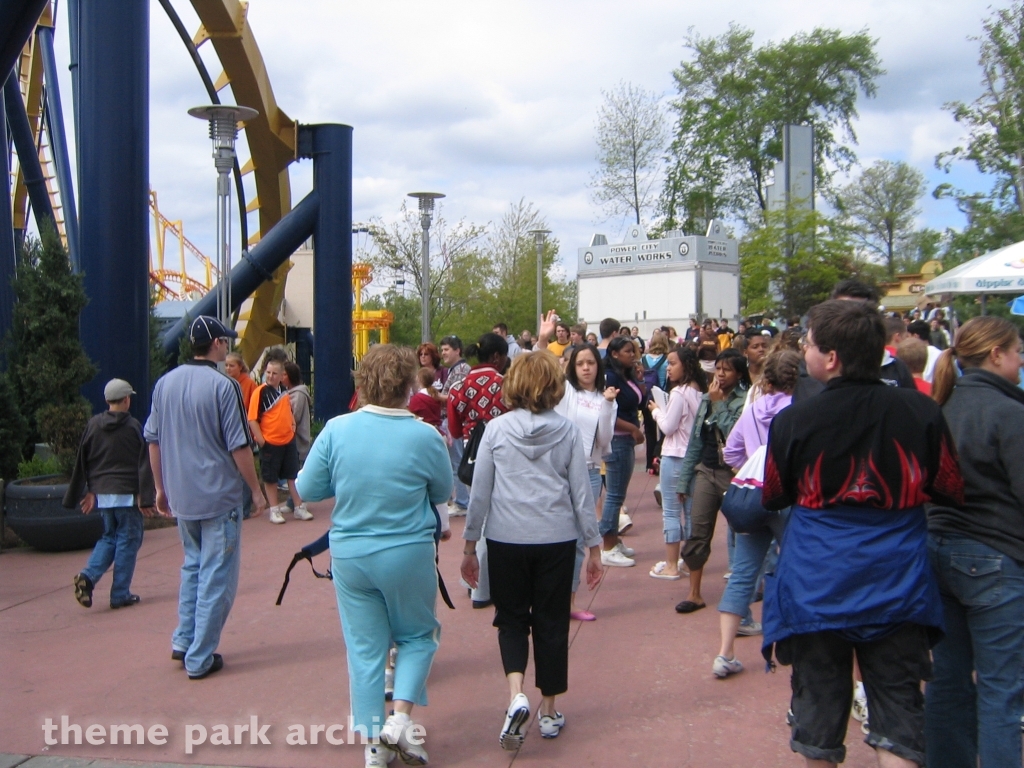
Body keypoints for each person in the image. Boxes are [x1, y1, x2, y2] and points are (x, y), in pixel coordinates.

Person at [761, 300, 964, 768]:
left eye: (808, 344)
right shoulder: (921, 411)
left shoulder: (794, 419)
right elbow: (950, 486)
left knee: (818, 727)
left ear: (830, 357)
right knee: (898, 723)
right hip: (898, 580)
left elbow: (773, 494)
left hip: (818, 583)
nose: (805, 352)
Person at [297, 344, 453, 768]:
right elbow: (442, 492)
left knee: (365, 649)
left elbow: (308, 489)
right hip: (407, 550)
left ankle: (373, 747)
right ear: (409, 385)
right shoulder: (425, 434)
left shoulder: (337, 429)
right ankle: (399, 722)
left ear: (362, 383)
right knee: (418, 636)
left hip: (351, 552)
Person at [460, 351, 603, 750]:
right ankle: (551, 710)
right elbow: (580, 494)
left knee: (510, 620)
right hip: (556, 538)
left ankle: (515, 693)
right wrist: (593, 547)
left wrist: (470, 546)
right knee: (552, 622)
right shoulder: (569, 431)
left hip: (506, 537)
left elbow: (480, 494)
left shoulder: (496, 430)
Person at [145, 315, 267, 679]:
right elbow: (238, 445)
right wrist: (256, 491)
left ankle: (183, 640)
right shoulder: (223, 385)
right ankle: (200, 656)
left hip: (182, 494)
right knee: (218, 576)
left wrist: (160, 486)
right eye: (224, 341)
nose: (227, 346)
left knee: (192, 567)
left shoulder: (164, 384)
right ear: (215, 344)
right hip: (218, 495)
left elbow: (153, 439)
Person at [926, 317, 1024, 767]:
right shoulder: (1009, 413)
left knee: (947, 682)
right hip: (995, 556)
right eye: (1018, 351)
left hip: (937, 548)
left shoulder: (940, 406)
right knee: (1001, 689)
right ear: (996, 354)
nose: (1021, 360)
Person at [711, 349, 800, 677]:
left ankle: (724, 652)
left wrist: (749, 464)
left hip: (752, 495)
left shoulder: (753, 410)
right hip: (788, 497)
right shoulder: (798, 409)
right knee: (795, 565)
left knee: (743, 571)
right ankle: (796, 639)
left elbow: (731, 450)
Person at [66, 378, 157, 609]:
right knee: (128, 540)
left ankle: (88, 575)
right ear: (126, 400)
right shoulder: (134, 426)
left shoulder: (94, 425)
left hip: (104, 495)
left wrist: (88, 491)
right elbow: (143, 463)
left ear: (107, 400)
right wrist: (144, 496)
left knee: (109, 537)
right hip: (128, 493)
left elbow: (83, 460)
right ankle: (120, 594)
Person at [674, 349, 750, 613]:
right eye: (718, 368)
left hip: (734, 475)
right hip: (706, 471)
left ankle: (743, 592)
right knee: (698, 531)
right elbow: (695, 441)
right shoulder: (707, 399)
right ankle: (694, 593)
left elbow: (735, 435)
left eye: (727, 369)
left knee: (742, 532)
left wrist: (718, 404)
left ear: (739, 373)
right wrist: (684, 481)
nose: (720, 374)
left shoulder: (744, 400)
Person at [554, 343, 617, 621]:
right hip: (559, 471)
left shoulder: (606, 398)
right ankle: (547, 596)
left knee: (579, 538)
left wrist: (608, 405)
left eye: (591, 362)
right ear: (572, 366)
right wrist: (543, 342)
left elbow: (604, 440)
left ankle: (568, 601)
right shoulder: (566, 392)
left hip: (590, 472)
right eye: (580, 363)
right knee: (553, 533)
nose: (586, 368)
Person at [448, 332, 510, 607]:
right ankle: (484, 587)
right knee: (497, 521)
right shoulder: (506, 385)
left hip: (473, 459)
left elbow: (453, 429)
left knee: (478, 512)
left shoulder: (458, 387)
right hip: (505, 457)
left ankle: (472, 581)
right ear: (497, 357)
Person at [647, 347, 705, 581]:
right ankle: (690, 561)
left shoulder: (680, 393)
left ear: (686, 366)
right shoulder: (699, 391)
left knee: (671, 511)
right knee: (691, 513)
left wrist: (656, 412)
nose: (668, 368)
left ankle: (671, 564)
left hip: (674, 455)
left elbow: (668, 427)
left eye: (672, 363)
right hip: (693, 457)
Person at [599, 336, 647, 566]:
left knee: (619, 494)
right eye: (628, 351)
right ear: (615, 353)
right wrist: (633, 430)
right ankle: (607, 546)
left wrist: (639, 382)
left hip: (626, 440)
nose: (633, 355)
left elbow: (637, 402)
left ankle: (614, 541)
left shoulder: (626, 376)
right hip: (617, 440)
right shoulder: (611, 376)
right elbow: (609, 412)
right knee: (615, 494)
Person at [248, 359, 313, 524]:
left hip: (288, 441)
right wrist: (261, 441)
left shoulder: (284, 391)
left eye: (274, 373)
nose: (270, 376)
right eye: (268, 372)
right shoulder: (260, 392)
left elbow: (289, 412)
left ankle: (298, 506)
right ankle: (274, 510)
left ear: (281, 376)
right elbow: (252, 419)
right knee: (271, 478)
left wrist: (291, 428)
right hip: (270, 442)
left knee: (292, 475)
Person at [438, 335, 471, 515]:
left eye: (447, 349)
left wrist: (434, 396)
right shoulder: (455, 369)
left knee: (456, 461)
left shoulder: (460, 370)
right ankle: (461, 500)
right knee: (455, 461)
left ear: (457, 350)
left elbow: (455, 397)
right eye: (442, 350)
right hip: (452, 419)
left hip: (454, 419)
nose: (443, 353)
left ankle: (462, 502)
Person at [641, 332, 671, 474]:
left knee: (649, 431)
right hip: (662, 396)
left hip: (648, 397)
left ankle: (649, 463)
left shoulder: (644, 359)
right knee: (664, 429)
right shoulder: (666, 360)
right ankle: (659, 457)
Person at [282, 361, 312, 466]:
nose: (282, 377)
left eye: (284, 374)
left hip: (298, 443)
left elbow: (295, 416)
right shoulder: (285, 393)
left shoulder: (299, 395)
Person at [408, 366, 444, 431]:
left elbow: (410, 414)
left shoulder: (417, 398)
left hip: (424, 429)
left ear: (419, 379)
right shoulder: (436, 395)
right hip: (438, 429)